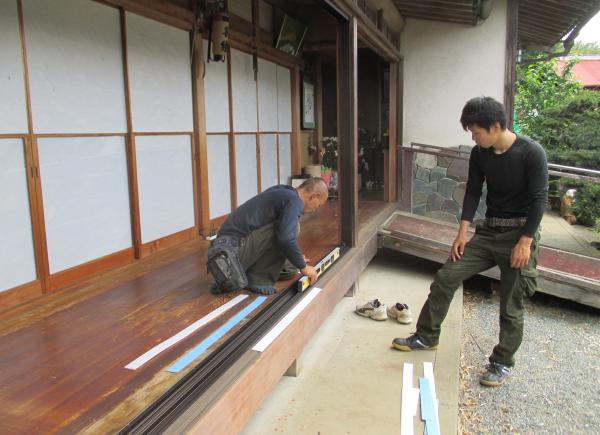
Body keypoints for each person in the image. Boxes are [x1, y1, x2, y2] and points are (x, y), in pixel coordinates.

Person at [393, 96, 548, 387]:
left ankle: (502, 363)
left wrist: (525, 242)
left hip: (519, 235)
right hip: (488, 232)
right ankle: (427, 335)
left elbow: (540, 199)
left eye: (476, 132)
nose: (473, 138)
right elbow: (474, 191)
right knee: (446, 276)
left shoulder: (531, 153)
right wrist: (462, 232)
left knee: (510, 304)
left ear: (496, 126)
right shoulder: (480, 153)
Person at [209, 177, 328, 295]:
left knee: (291, 268)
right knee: (292, 228)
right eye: (318, 205)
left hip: (230, 249)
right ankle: (257, 280)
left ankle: (248, 274)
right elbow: (285, 238)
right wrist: (303, 267)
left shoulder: (284, 191)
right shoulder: (295, 201)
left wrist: (297, 259)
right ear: (314, 196)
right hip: (230, 256)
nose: (314, 210)